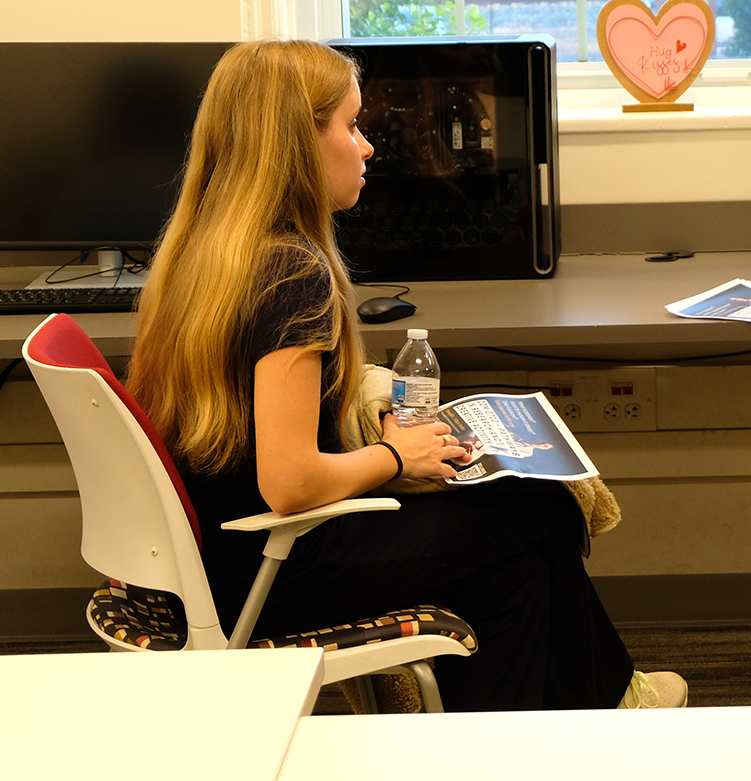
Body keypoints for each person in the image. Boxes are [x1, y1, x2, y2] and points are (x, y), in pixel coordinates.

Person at [126, 40, 686, 711]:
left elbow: (252, 430)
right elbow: (290, 481)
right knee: (541, 506)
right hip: (277, 565)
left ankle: (539, 731)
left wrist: (380, 432)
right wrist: (394, 457)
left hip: (212, 562)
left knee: (518, 574)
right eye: (351, 126)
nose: (367, 147)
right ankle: (617, 704)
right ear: (295, 143)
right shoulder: (293, 273)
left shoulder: (200, 254)